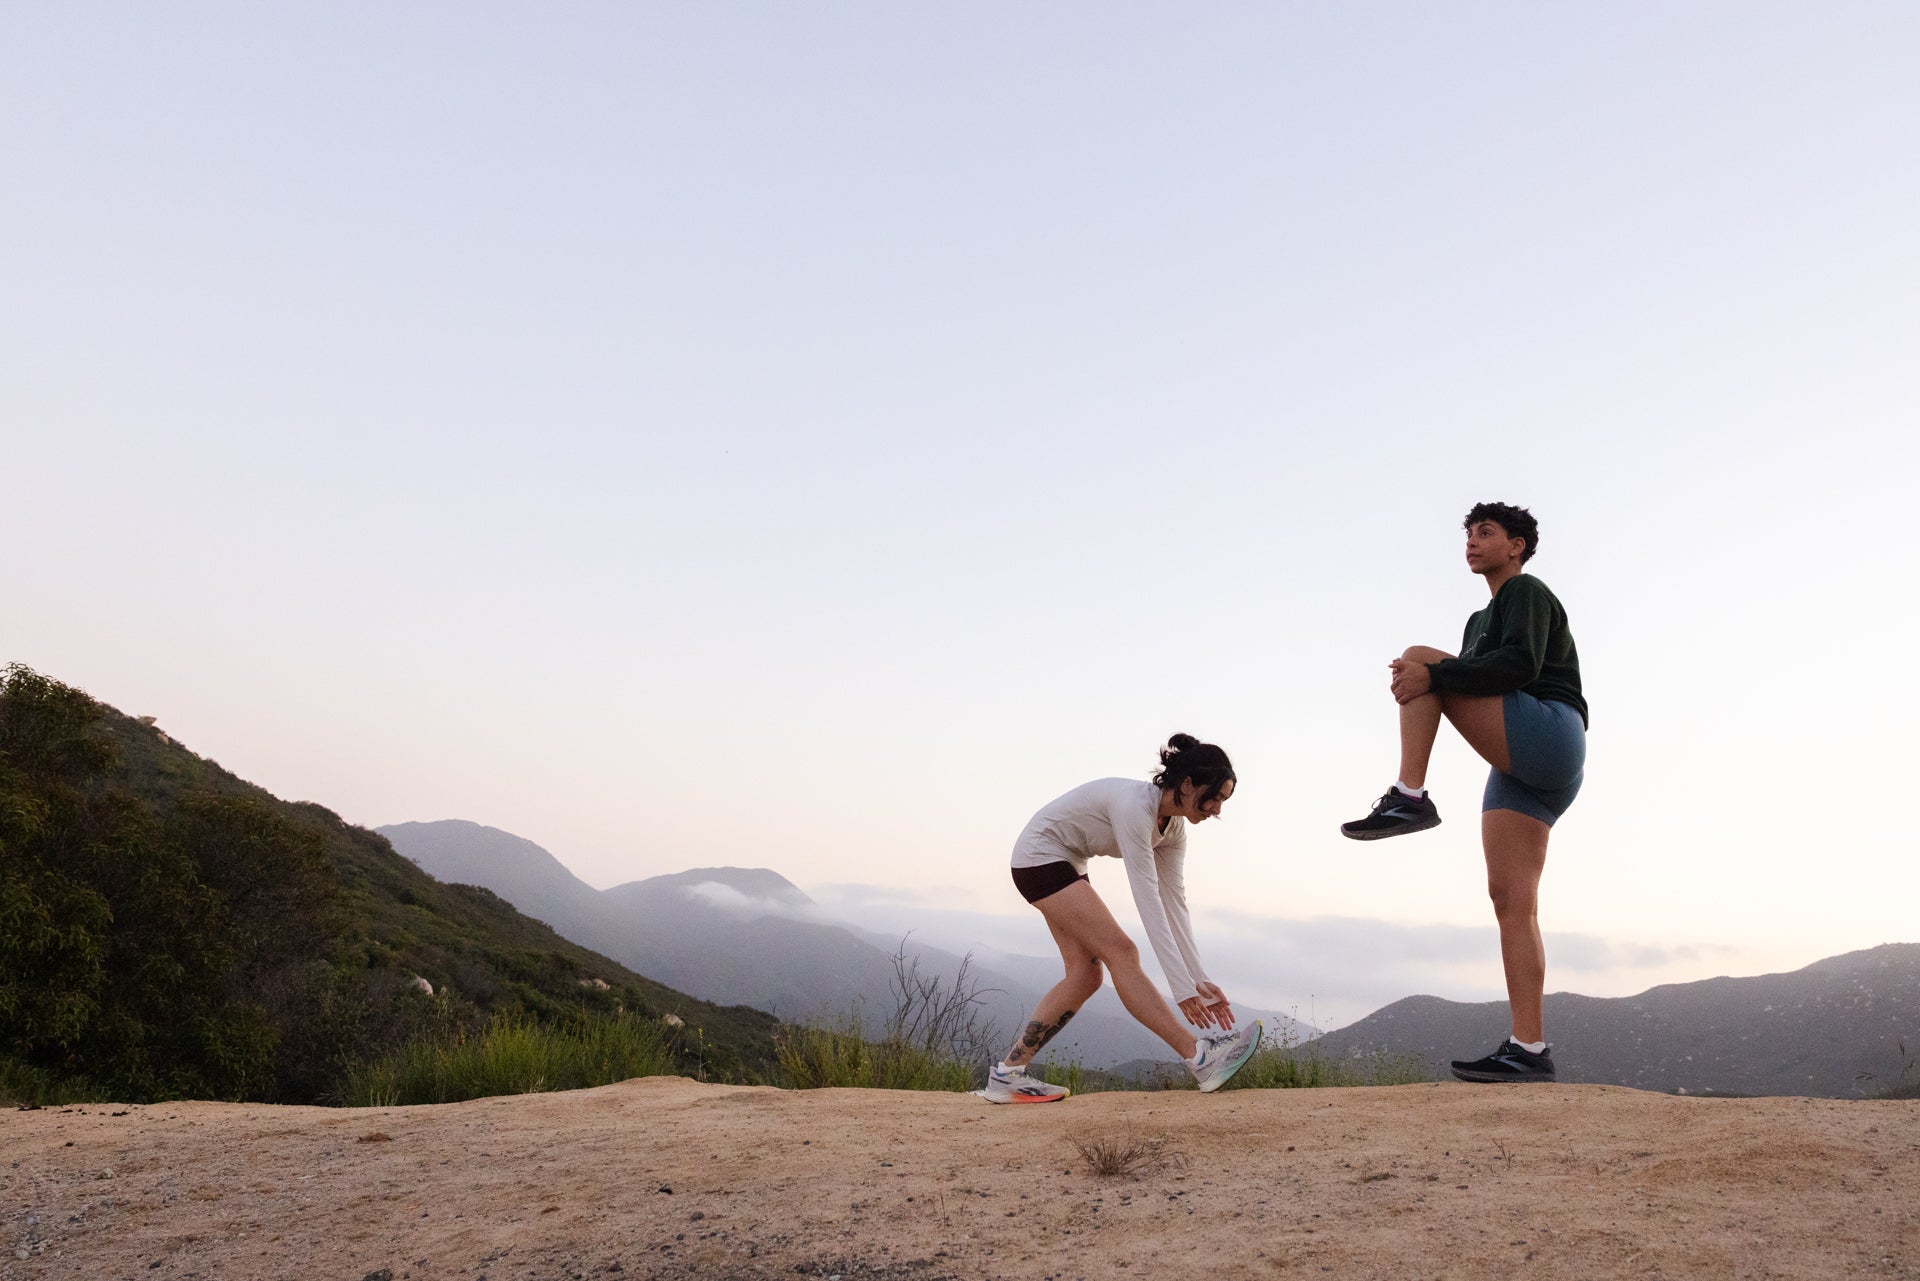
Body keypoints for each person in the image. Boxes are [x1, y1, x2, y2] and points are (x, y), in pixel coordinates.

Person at [1340, 502, 1587, 1084]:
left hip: (1550, 732)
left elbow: (1519, 666)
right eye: (1469, 534)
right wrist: (1432, 681)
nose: (1472, 543)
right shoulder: (1479, 622)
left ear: (1518, 546)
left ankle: (1410, 795)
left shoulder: (1526, 594)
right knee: (1511, 901)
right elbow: (1472, 686)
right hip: (1523, 765)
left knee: (1423, 658)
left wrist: (1430, 674)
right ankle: (1529, 1049)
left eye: (1487, 533)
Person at [980, 734, 1264, 1104]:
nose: (1217, 810)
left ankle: (1007, 1074)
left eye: (1224, 802)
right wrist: (1181, 988)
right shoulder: (1136, 808)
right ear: (1188, 783)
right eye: (1214, 797)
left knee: (1086, 974)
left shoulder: (1173, 829)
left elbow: (1173, 903)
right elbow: (1147, 901)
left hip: (1063, 862)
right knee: (1122, 952)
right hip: (1040, 857)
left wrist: (1199, 979)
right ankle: (1200, 1058)